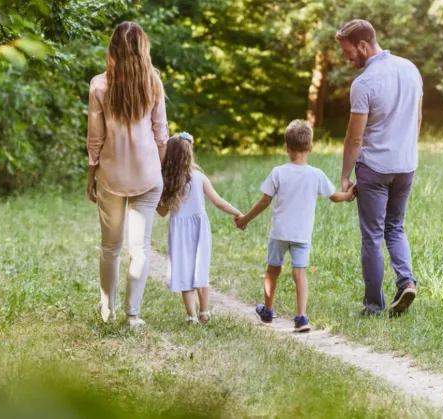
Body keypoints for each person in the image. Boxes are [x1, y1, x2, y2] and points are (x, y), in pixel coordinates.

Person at [336, 19, 423, 317]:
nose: (347, 59)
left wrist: (346, 176)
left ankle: (373, 305)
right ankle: (406, 281)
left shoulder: (364, 83)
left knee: (372, 234)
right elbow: (417, 119)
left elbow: (355, 137)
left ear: (363, 45)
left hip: (375, 168)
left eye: (348, 51)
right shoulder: (410, 69)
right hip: (406, 164)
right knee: (395, 227)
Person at [235, 120, 355, 332]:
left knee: (272, 271)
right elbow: (334, 196)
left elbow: (264, 201)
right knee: (299, 273)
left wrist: (245, 219)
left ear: (286, 148)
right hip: (301, 234)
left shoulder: (278, 172)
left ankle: (268, 312)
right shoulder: (315, 174)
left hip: (279, 233)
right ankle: (301, 318)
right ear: (310, 148)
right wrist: (348, 195)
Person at [86, 21, 168, 328]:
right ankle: (132, 315)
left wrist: (90, 176)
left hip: (111, 175)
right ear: (142, 48)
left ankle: (108, 310)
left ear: (113, 49)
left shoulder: (99, 85)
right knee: (140, 249)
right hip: (148, 175)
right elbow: (161, 135)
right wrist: (159, 172)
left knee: (110, 247)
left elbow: (95, 138)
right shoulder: (153, 83)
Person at [156, 132, 242, 324]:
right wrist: (238, 213)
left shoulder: (168, 182)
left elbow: (162, 213)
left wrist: (154, 198)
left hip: (179, 232)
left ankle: (191, 316)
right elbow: (218, 201)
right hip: (199, 230)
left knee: (184, 271)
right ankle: (205, 312)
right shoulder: (199, 177)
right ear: (189, 154)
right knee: (200, 269)